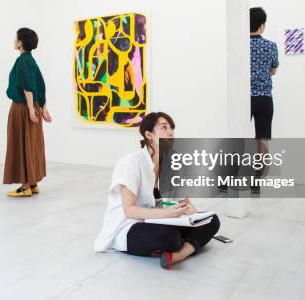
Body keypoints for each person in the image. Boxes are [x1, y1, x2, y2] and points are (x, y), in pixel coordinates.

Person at [94, 112, 221, 269]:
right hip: (129, 226)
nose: (170, 132)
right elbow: (129, 211)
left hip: (156, 219)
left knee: (211, 220)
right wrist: (168, 214)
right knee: (170, 238)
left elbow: (180, 197)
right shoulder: (131, 162)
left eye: (172, 128)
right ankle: (187, 244)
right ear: (149, 134)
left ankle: (177, 255)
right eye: (164, 127)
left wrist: (190, 211)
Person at [3, 27, 52, 197]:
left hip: (22, 109)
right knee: (31, 144)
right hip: (33, 108)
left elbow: (28, 87)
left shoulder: (22, 61)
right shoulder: (31, 61)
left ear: (20, 42)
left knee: (21, 144)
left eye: (15, 38)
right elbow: (41, 85)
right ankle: (32, 183)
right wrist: (43, 107)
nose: (13, 40)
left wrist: (31, 109)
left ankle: (25, 187)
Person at [249, 7, 279, 193]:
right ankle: (256, 182)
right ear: (262, 26)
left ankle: (226, 180)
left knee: (235, 139)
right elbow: (273, 70)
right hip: (264, 98)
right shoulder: (271, 46)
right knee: (263, 140)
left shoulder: (240, 46)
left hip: (244, 99)